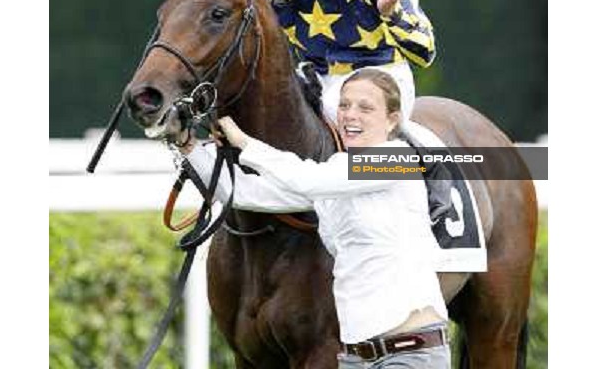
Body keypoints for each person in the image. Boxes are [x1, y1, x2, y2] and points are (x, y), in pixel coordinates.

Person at [167, 0, 451, 221]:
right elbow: (222, 2)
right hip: (311, 75)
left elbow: (425, 51)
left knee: (343, 108)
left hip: (380, 76)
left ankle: (431, 169)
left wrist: (390, 12)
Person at [181, 69, 450, 368]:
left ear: (392, 120)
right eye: (345, 105)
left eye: (366, 108)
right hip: (356, 358)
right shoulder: (337, 172)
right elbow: (243, 194)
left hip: (409, 356)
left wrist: (245, 142)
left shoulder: (397, 159)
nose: (350, 115)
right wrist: (186, 145)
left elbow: (307, 179)